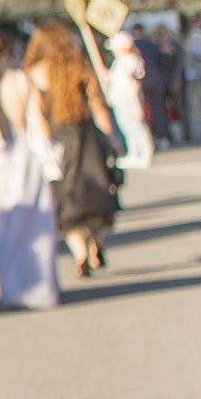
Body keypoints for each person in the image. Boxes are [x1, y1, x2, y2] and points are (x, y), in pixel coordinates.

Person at [0, 30, 59, 309]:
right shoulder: (20, 80)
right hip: (23, 156)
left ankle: (7, 281)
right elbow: (40, 120)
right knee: (29, 224)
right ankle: (34, 284)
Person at [25, 24, 120, 277]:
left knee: (67, 201)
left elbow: (39, 116)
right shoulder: (80, 66)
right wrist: (112, 138)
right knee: (97, 193)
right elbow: (98, 105)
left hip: (59, 140)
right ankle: (96, 243)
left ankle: (80, 254)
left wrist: (46, 145)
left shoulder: (34, 74)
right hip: (87, 137)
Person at [103, 31, 155, 172]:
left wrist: (137, 103)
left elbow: (135, 81)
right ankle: (133, 153)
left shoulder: (132, 59)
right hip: (118, 98)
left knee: (137, 126)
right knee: (126, 127)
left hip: (129, 98)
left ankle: (144, 153)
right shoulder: (118, 61)